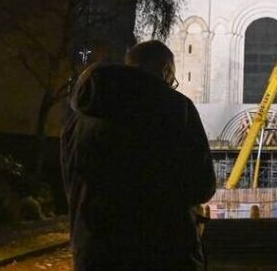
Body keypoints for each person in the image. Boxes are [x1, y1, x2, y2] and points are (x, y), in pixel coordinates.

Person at [60, 40, 215, 271]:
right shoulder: (176, 108)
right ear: (166, 70)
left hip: (95, 253)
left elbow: (70, 180)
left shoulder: (79, 117)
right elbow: (202, 186)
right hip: (161, 252)